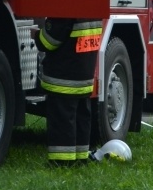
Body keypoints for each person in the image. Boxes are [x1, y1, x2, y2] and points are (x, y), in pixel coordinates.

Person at [33, 18, 103, 165]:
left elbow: (49, 42)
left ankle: (62, 161)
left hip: (64, 77)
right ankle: (81, 158)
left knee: (62, 120)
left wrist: (36, 35)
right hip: (84, 77)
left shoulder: (66, 9)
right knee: (81, 119)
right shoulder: (95, 9)